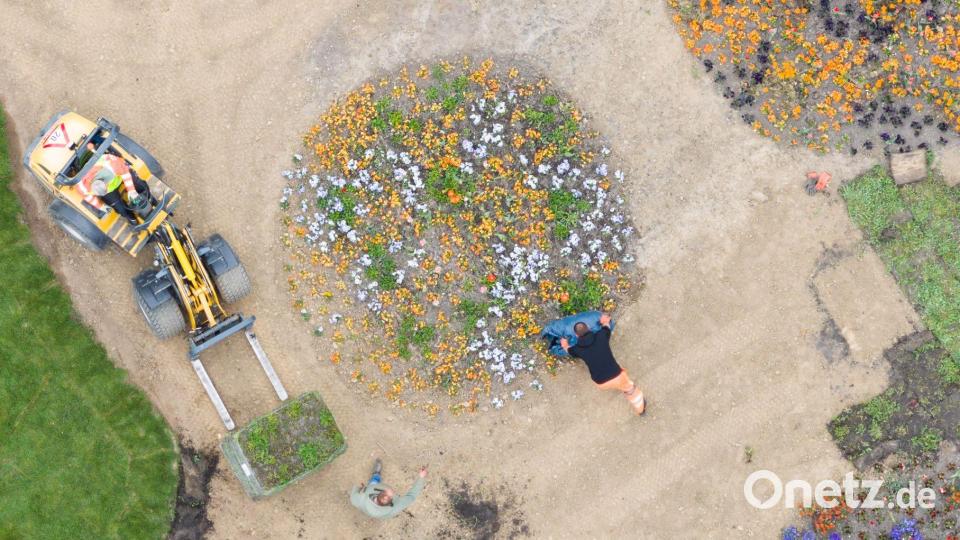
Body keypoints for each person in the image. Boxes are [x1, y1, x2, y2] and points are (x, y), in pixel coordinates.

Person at [561, 312, 646, 415]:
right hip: (616, 375)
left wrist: (564, 343)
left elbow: (567, 348)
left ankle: (620, 387)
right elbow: (606, 325)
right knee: (631, 390)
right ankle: (641, 409)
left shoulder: (577, 350)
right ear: (589, 328)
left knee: (618, 382)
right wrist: (604, 321)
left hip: (601, 382)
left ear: (576, 335)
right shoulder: (601, 335)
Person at [76, 142, 148, 224]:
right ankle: (131, 217)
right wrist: (101, 206)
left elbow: (125, 172)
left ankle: (147, 198)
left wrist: (131, 190)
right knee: (119, 208)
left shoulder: (110, 164)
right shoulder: (82, 187)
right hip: (112, 186)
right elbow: (88, 197)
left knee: (138, 183)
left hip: (119, 176)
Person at [350, 458, 427, 519]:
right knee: (375, 482)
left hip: (370, 491)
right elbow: (412, 496)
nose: (389, 489)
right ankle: (376, 474)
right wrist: (421, 477)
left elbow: (354, 493)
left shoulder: (360, 499)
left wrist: (359, 488)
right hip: (380, 514)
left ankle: (376, 474)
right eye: (391, 495)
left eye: (385, 491)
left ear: (378, 494)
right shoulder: (396, 507)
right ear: (391, 501)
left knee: (374, 482)